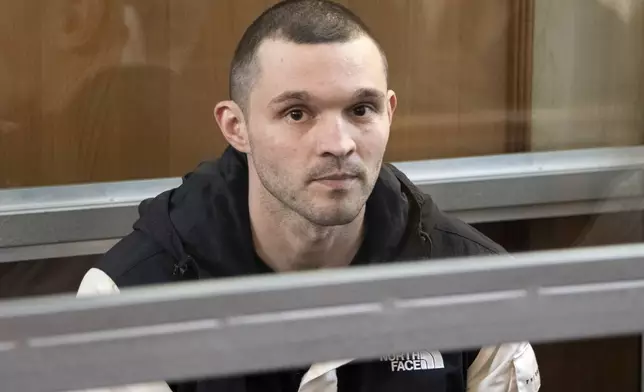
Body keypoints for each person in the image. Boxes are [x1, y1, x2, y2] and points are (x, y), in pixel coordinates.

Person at [76, 1, 541, 391]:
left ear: (390, 112)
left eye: (361, 109)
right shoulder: (128, 299)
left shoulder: (475, 283)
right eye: (297, 113)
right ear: (236, 127)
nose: (338, 143)